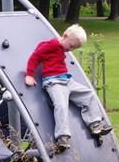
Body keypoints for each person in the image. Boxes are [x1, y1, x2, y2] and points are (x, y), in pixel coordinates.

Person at [25, 24, 110, 152]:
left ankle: (95, 124)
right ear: (64, 36)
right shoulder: (50, 45)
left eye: (74, 48)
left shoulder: (62, 47)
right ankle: (62, 137)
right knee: (61, 105)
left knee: (89, 94)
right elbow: (35, 56)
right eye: (71, 46)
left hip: (67, 80)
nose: (71, 50)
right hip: (54, 82)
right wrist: (29, 75)